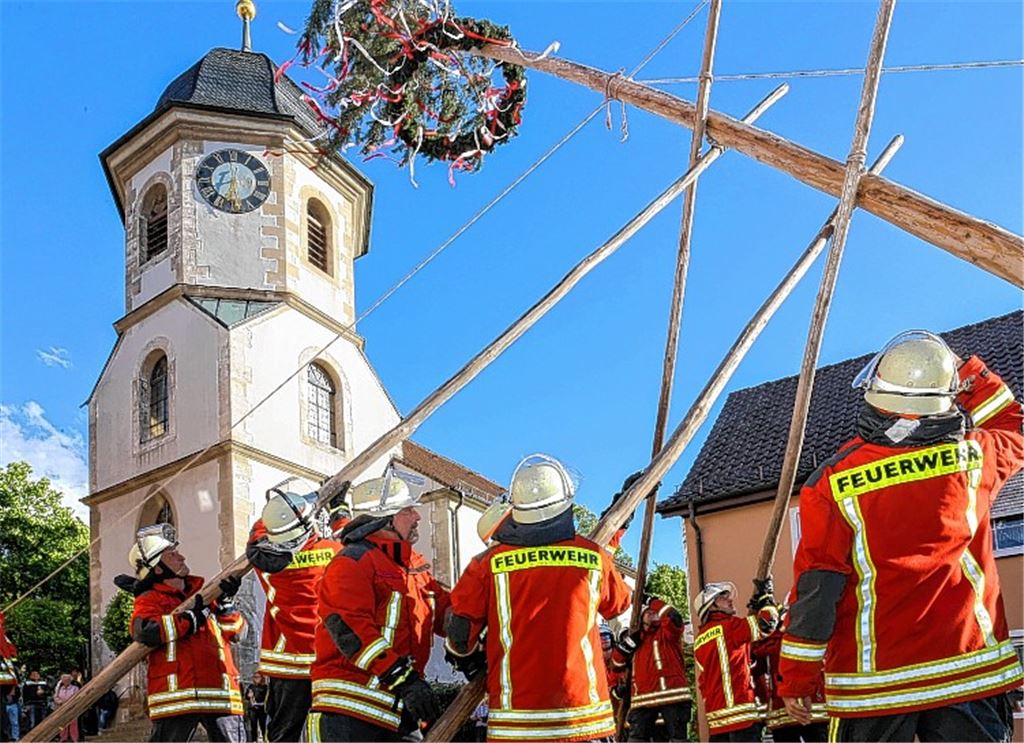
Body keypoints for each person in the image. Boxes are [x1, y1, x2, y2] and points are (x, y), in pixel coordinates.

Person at [778, 331, 1024, 741]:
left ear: (877, 395)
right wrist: (970, 373)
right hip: (968, 672)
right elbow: (1014, 424)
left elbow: (818, 587)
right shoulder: (978, 456)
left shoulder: (834, 480)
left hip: (875, 687)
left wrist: (798, 679)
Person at [446, 453, 633, 742]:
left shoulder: (487, 565)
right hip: (583, 719)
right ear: (565, 503)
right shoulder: (592, 557)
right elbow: (618, 603)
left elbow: (459, 635)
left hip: (515, 725)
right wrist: (615, 530)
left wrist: (472, 663)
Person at [307, 474, 450, 742]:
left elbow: (448, 614)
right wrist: (403, 678)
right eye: (407, 510)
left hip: (396, 713)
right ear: (385, 519)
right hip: (347, 710)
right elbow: (350, 628)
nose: (416, 516)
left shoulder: (414, 570)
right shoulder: (352, 562)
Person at [122, 524, 247, 742]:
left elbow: (237, 634)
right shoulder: (150, 600)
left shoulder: (206, 594)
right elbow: (145, 632)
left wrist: (227, 605)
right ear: (158, 568)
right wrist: (189, 620)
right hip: (175, 696)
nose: (181, 557)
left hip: (221, 692)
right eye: (172, 554)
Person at [246, 479, 345, 742]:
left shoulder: (266, 562)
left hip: (285, 661)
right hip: (325, 656)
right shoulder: (333, 552)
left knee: (281, 732)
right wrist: (339, 513)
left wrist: (281, 511)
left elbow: (259, 531)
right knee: (325, 729)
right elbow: (356, 548)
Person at [692, 581, 777, 741]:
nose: (730, 600)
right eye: (723, 598)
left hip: (717, 721)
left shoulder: (700, 641)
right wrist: (767, 600)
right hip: (741, 717)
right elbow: (766, 624)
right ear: (711, 607)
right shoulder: (730, 627)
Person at [614, 596, 691, 742]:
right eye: (648, 611)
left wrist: (651, 600)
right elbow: (616, 666)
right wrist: (625, 646)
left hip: (672, 696)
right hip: (642, 700)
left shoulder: (668, 633)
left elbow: (673, 617)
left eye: (655, 611)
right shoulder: (636, 640)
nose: (652, 612)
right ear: (641, 616)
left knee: (678, 739)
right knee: (636, 739)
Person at [752, 624, 827, 742]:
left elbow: (756, 669)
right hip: (812, 706)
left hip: (783, 710)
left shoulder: (769, 643)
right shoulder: (811, 633)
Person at [53, 673, 79, 743]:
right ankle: (63, 738)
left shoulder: (75, 688)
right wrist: (60, 702)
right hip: (61, 708)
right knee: (62, 723)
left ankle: (74, 738)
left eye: (67, 680)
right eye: (64, 680)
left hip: (72, 708)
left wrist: (69, 703)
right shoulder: (59, 688)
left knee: (73, 723)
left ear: (70, 680)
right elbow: (55, 697)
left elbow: (77, 697)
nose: (66, 681)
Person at [246, 673, 269, 743]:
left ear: (261, 678)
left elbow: (267, 698)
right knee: (253, 725)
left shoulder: (265, 687)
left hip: (262, 708)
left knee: (263, 725)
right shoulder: (251, 687)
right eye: (254, 677)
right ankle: (254, 740)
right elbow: (246, 697)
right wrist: (248, 695)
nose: (255, 679)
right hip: (253, 708)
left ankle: (265, 739)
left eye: (257, 677)